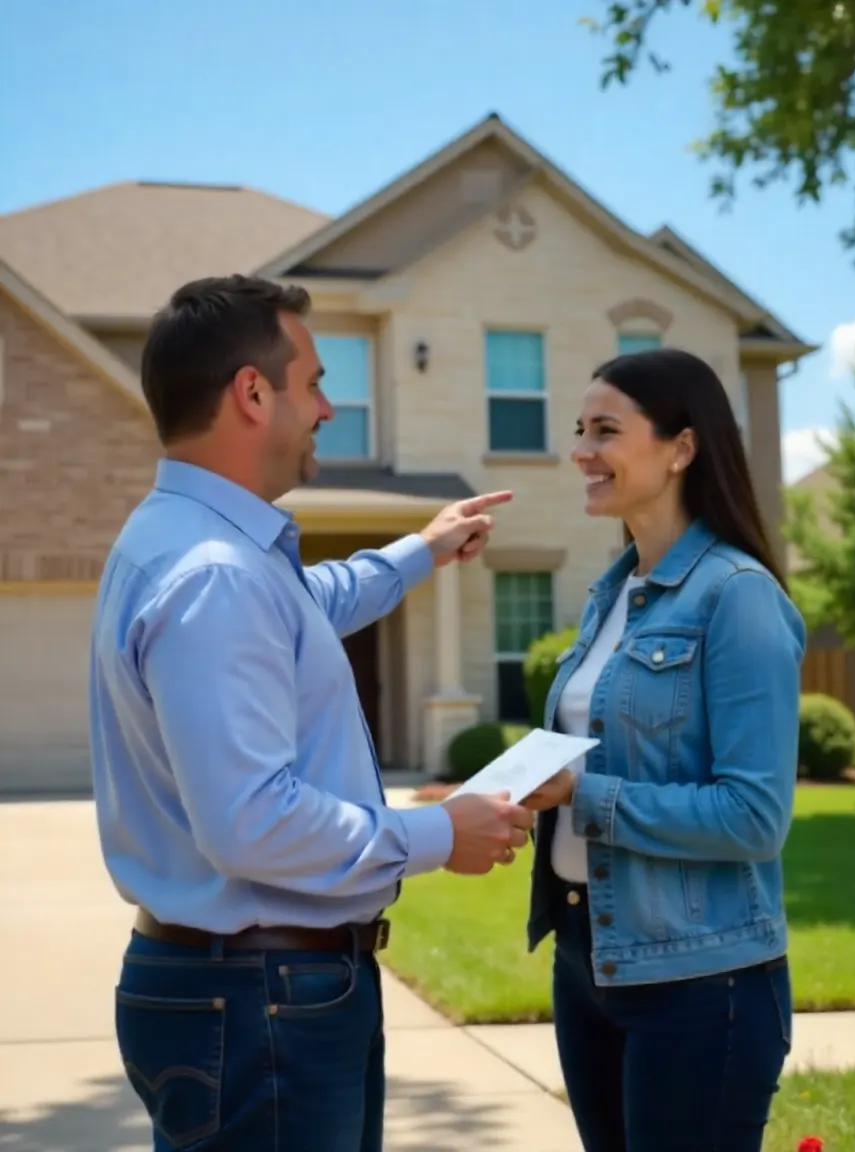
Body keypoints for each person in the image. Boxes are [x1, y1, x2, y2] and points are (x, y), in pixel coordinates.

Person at [89, 274, 534, 1152]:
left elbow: (302, 605)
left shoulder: (187, 541)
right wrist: (440, 832)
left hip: (240, 990)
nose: (330, 408)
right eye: (318, 382)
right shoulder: (217, 573)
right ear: (253, 394)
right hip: (265, 1001)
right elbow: (252, 823)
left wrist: (421, 551)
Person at [521, 348, 805, 1152]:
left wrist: (581, 793)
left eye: (606, 430)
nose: (581, 450)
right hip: (589, 961)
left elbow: (753, 817)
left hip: (699, 984)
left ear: (681, 448)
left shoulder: (736, 596)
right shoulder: (612, 594)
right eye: (581, 429)